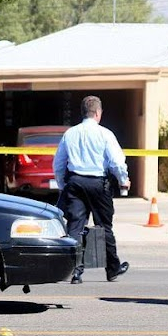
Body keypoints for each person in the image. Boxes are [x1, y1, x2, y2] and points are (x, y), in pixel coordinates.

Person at [53, 95, 131, 284]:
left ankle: (74, 271)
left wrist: (64, 185)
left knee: (75, 227)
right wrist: (123, 180)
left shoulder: (70, 133)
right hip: (98, 184)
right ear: (97, 113)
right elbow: (117, 162)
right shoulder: (105, 134)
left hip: (75, 183)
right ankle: (112, 269)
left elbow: (58, 164)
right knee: (104, 227)